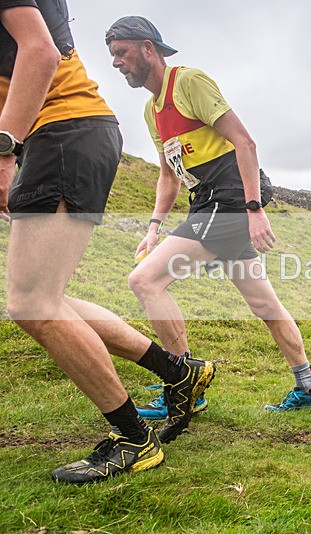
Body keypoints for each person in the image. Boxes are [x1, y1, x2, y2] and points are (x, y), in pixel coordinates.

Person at [1, 0, 214, 484]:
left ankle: (135, 440)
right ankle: (178, 372)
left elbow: (40, 51)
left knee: (32, 304)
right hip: (66, 133)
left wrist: (4, 150)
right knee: (45, 299)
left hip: (60, 132)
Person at [105, 16, 311, 415]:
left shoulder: (188, 82)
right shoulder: (151, 110)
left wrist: (253, 209)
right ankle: (308, 386)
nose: (116, 63)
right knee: (264, 304)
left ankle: (183, 384)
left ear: (147, 48)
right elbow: (168, 175)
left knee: (145, 281)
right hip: (206, 200)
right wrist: (154, 227)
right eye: (113, 56)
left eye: (121, 53)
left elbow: (245, 141)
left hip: (230, 197)